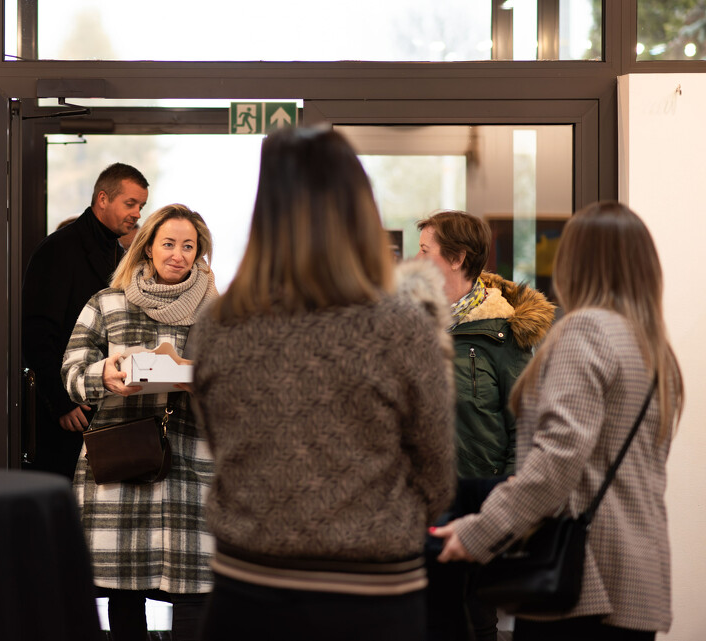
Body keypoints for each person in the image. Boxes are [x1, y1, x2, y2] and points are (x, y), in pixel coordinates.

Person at [189, 126, 457, 641]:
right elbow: (437, 473)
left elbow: (221, 447)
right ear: (359, 209)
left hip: (248, 588)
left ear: (266, 213)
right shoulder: (400, 325)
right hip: (373, 594)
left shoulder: (218, 324)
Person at [432, 201, 684, 641]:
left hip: (584, 581)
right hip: (636, 579)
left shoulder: (585, 331)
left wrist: (478, 533)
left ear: (576, 261)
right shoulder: (654, 349)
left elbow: (554, 466)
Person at [62, 204, 218, 641]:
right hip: (122, 458)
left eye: (189, 246)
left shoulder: (220, 313)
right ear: (148, 247)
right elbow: (72, 371)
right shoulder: (108, 303)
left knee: (195, 587)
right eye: (169, 243)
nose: (178, 254)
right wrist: (104, 376)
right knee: (122, 589)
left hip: (193, 459)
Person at [416, 210, 555, 641]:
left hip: (477, 511)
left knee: (473, 625)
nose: (415, 262)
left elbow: (523, 431)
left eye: (425, 251)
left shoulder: (503, 334)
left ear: (456, 258)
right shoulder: (410, 323)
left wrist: (505, 516)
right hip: (417, 505)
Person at [22, 163, 148, 479]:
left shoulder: (118, 255)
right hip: (65, 408)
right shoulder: (59, 248)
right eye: (130, 203)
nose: (136, 214)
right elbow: (38, 333)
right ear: (103, 198)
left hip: (102, 402)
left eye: (141, 206)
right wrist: (61, 403)